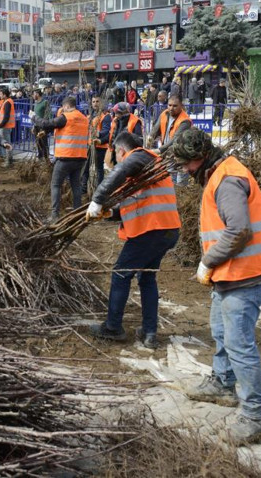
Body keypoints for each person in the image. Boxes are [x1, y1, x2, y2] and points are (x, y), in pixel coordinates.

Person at [172, 128, 261, 445]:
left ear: (200, 157)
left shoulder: (228, 181)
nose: (184, 170)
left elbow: (239, 231)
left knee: (239, 344)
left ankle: (256, 416)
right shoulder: (219, 172)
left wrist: (208, 261)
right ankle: (223, 382)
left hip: (246, 274)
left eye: (185, 164)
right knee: (220, 328)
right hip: (232, 273)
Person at [86, 131, 180, 348]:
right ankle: (149, 332)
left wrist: (97, 199)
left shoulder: (139, 156)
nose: (116, 162)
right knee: (147, 279)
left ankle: (113, 327)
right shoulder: (146, 167)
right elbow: (137, 203)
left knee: (120, 274)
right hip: (166, 231)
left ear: (120, 151)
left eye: (116, 157)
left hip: (151, 231)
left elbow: (121, 169)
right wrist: (110, 213)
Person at [30, 96, 89, 222]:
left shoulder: (66, 116)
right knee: (76, 186)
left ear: (66, 106)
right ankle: (77, 212)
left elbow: (46, 123)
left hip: (65, 157)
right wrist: (46, 132)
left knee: (55, 184)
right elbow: (63, 128)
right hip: (80, 157)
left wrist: (34, 117)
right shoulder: (84, 118)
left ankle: (54, 215)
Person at [81, 96, 111, 194]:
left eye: (97, 101)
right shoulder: (90, 116)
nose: (95, 103)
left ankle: (99, 190)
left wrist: (98, 134)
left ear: (101, 103)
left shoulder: (105, 116)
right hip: (90, 145)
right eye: (93, 101)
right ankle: (83, 189)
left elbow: (106, 130)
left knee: (99, 169)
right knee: (85, 167)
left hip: (99, 146)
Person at [105, 103, 142, 169]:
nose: (116, 115)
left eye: (118, 113)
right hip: (116, 153)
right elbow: (112, 135)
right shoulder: (116, 121)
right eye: (115, 113)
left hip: (128, 155)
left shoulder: (135, 121)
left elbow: (139, 140)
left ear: (124, 112)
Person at [0, 86, 16, 167]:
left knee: (7, 144)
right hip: (5, 126)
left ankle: (8, 161)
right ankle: (10, 160)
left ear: (4, 94)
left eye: (0, 94)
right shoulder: (6, 101)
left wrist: (0, 126)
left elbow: (6, 117)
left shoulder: (7, 102)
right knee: (8, 143)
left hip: (5, 127)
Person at [31, 88, 52, 160]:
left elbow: (48, 114)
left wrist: (45, 125)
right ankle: (40, 156)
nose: (33, 96)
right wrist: (33, 126)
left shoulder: (45, 102)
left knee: (44, 142)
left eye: (33, 94)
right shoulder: (35, 103)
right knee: (38, 142)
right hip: (36, 125)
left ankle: (46, 158)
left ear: (37, 94)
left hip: (42, 126)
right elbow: (34, 115)